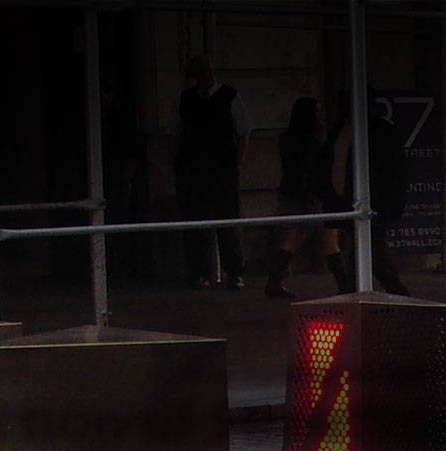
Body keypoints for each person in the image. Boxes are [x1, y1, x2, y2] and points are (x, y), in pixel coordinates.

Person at [174, 55, 252, 290]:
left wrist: (237, 163)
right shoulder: (185, 100)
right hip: (194, 172)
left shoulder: (229, 96)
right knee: (195, 223)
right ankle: (199, 272)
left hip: (222, 171)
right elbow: (173, 132)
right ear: (194, 76)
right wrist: (178, 164)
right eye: (202, 71)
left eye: (210, 70)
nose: (208, 75)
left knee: (228, 222)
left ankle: (235, 272)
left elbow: (244, 132)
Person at [329, 91, 411, 297]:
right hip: (345, 201)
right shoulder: (341, 129)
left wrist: (393, 202)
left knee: (369, 248)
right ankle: (354, 289)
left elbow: (396, 170)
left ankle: (391, 291)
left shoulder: (382, 131)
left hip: (376, 203)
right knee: (364, 248)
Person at [263, 97, 340, 299]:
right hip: (310, 196)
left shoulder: (287, 138)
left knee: (296, 238)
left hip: (294, 194)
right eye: (317, 112)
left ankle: (274, 281)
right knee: (327, 237)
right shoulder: (313, 142)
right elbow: (311, 171)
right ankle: (345, 283)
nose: (320, 117)